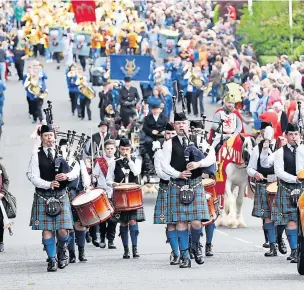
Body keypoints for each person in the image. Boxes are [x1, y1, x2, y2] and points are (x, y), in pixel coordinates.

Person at [162, 112, 216, 268]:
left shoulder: (198, 140)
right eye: (178, 124)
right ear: (174, 125)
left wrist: (199, 164)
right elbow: (164, 165)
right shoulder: (169, 144)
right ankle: (185, 256)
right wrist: (178, 173)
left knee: (197, 223)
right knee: (181, 222)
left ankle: (196, 246)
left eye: (183, 123)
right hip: (177, 184)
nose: (180, 126)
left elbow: (211, 156)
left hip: (195, 183)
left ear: (188, 125)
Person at [26, 125, 79, 272]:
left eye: (51, 135)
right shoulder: (36, 156)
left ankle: (62, 250)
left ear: (54, 137)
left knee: (63, 231)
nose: (49, 139)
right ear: (41, 138)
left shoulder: (64, 152)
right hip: (43, 195)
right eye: (46, 136)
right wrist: (48, 184)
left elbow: (76, 170)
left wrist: (66, 176)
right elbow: (32, 176)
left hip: (61, 194)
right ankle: (52, 259)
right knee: (46, 230)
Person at [107, 138, 144, 259]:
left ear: (131, 149)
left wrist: (129, 160)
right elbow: (108, 179)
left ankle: (135, 248)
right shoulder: (114, 162)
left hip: (133, 196)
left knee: (133, 221)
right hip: (120, 196)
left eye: (127, 149)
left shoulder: (136, 160)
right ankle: (126, 250)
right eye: (122, 149)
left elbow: (137, 172)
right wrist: (114, 184)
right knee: (123, 223)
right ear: (119, 149)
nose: (125, 151)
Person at [272, 123, 303, 263]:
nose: (293, 137)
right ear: (286, 136)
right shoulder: (280, 152)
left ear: (300, 135)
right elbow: (279, 171)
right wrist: (295, 179)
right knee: (292, 221)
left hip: (303, 188)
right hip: (287, 188)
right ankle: (295, 251)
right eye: (291, 134)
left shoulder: (303, 149)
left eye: (296, 134)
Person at [247, 125, 279, 257]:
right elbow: (250, 168)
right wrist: (255, 174)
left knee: (282, 216)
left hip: (278, 184)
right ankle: (272, 245)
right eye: (265, 131)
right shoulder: (257, 148)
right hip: (263, 183)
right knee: (267, 216)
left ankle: (279, 240)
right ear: (261, 132)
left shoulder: (280, 145)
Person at [58, 139, 91, 263]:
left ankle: (81, 252)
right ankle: (72, 254)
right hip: (62, 195)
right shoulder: (57, 161)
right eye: (63, 148)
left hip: (76, 194)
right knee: (68, 226)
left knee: (80, 224)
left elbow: (82, 174)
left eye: (67, 147)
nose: (65, 150)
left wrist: (87, 186)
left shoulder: (78, 161)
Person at [93, 139, 117, 249]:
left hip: (114, 192)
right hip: (102, 192)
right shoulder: (100, 161)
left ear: (115, 149)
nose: (110, 150)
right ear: (105, 150)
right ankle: (102, 237)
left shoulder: (118, 161)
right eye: (108, 149)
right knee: (103, 217)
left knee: (113, 218)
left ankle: (111, 240)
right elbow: (95, 174)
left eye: (112, 148)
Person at [0, 163, 10, 252]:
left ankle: (0, 242)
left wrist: (2, 193)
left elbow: (6, 181)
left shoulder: (0, 166)